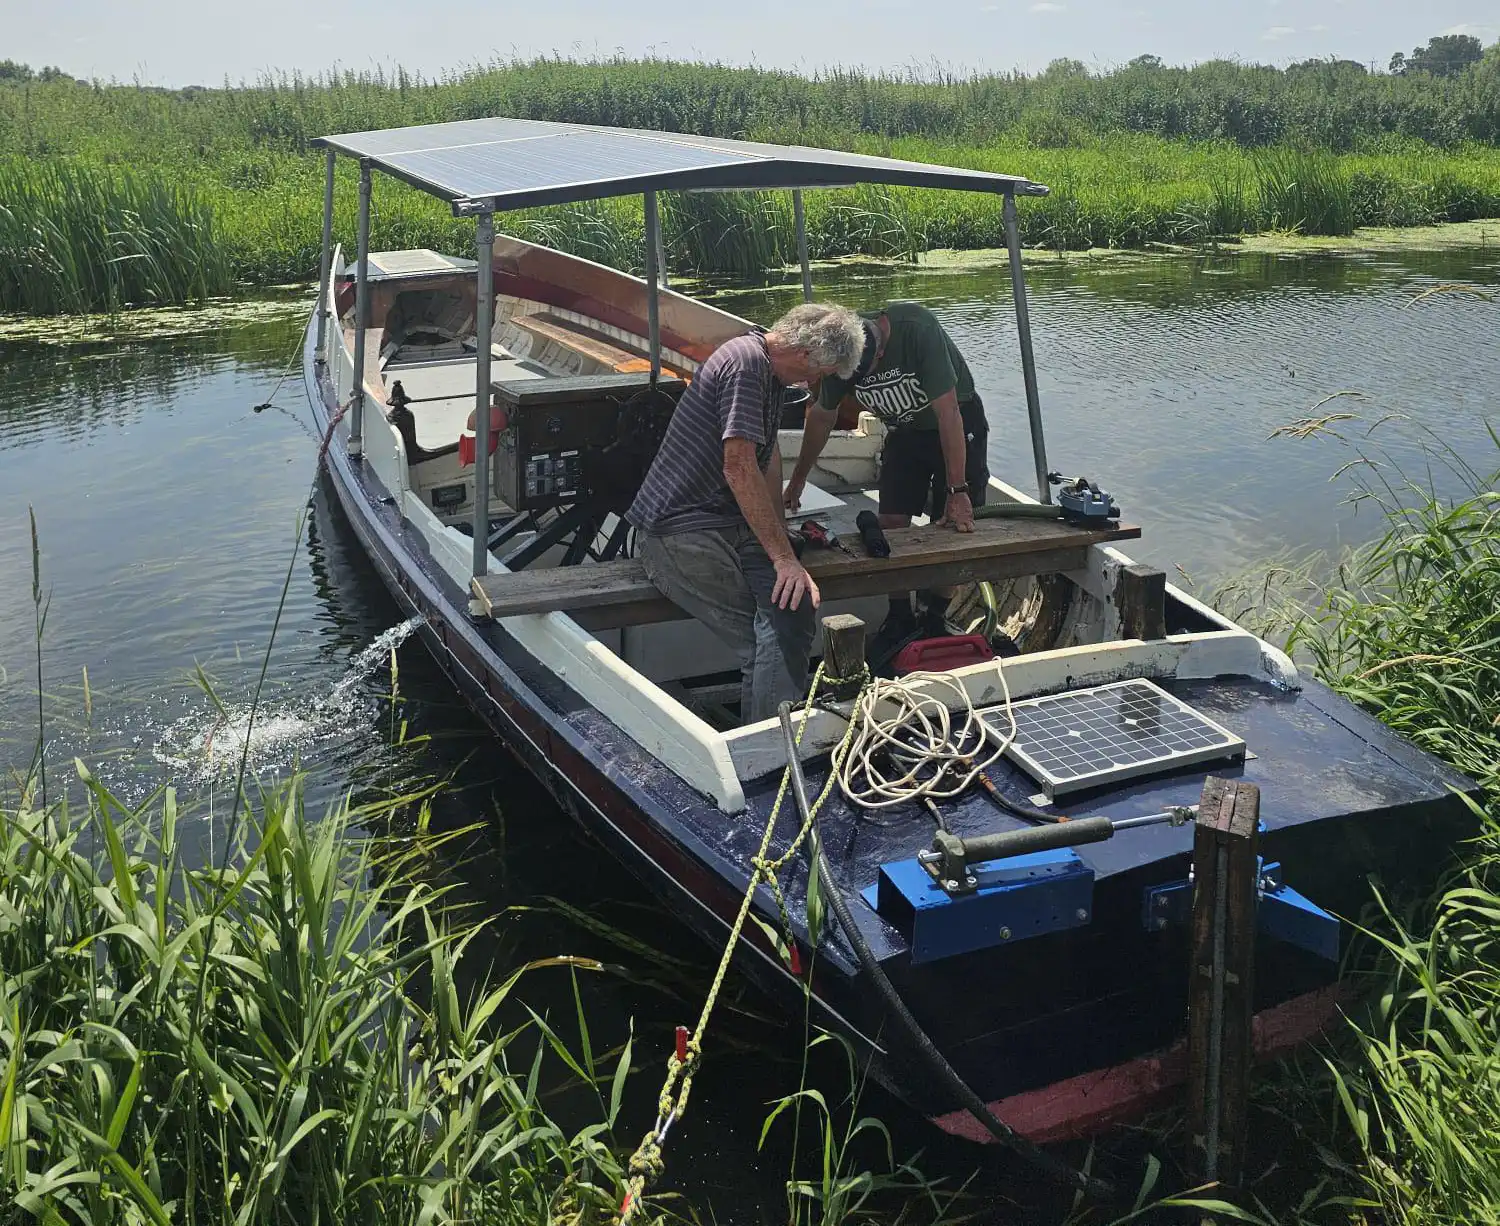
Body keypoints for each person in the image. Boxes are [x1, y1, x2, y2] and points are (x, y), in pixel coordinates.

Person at [626, 303, 866, 724]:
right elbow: (737, 465)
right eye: (820, 373)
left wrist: (781, 536)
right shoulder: (746, 365)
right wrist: (782, 558)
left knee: (792, 612)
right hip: (678, 528)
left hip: (730, 523)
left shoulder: (771, 376)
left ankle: (778, 725)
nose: (814, 383)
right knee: (765, 641)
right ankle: (770, 749)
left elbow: (765, 458)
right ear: (805, 355)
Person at [782, 301, 990, 661]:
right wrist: (798, 479)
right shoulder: (840, 345)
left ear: (877, 353)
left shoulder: (917, 329)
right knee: (890, 523)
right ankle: (899, 614)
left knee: (954, 526)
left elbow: (949, 412)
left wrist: (958, 490)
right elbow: (821, 417)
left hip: (956, 424)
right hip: (903, 431)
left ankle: (935, 616)